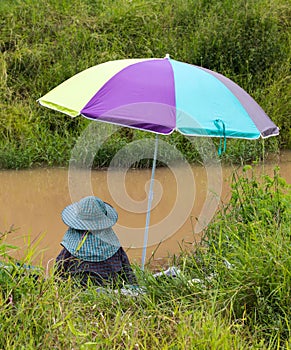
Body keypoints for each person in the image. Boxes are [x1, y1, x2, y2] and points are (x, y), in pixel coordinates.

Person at [55, 196, 137, 288]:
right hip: (109, 286)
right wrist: (134, 286)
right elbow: (126, 270)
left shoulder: (71, 248)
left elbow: (59, 271)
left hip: (79, 288)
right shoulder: (114, 246)